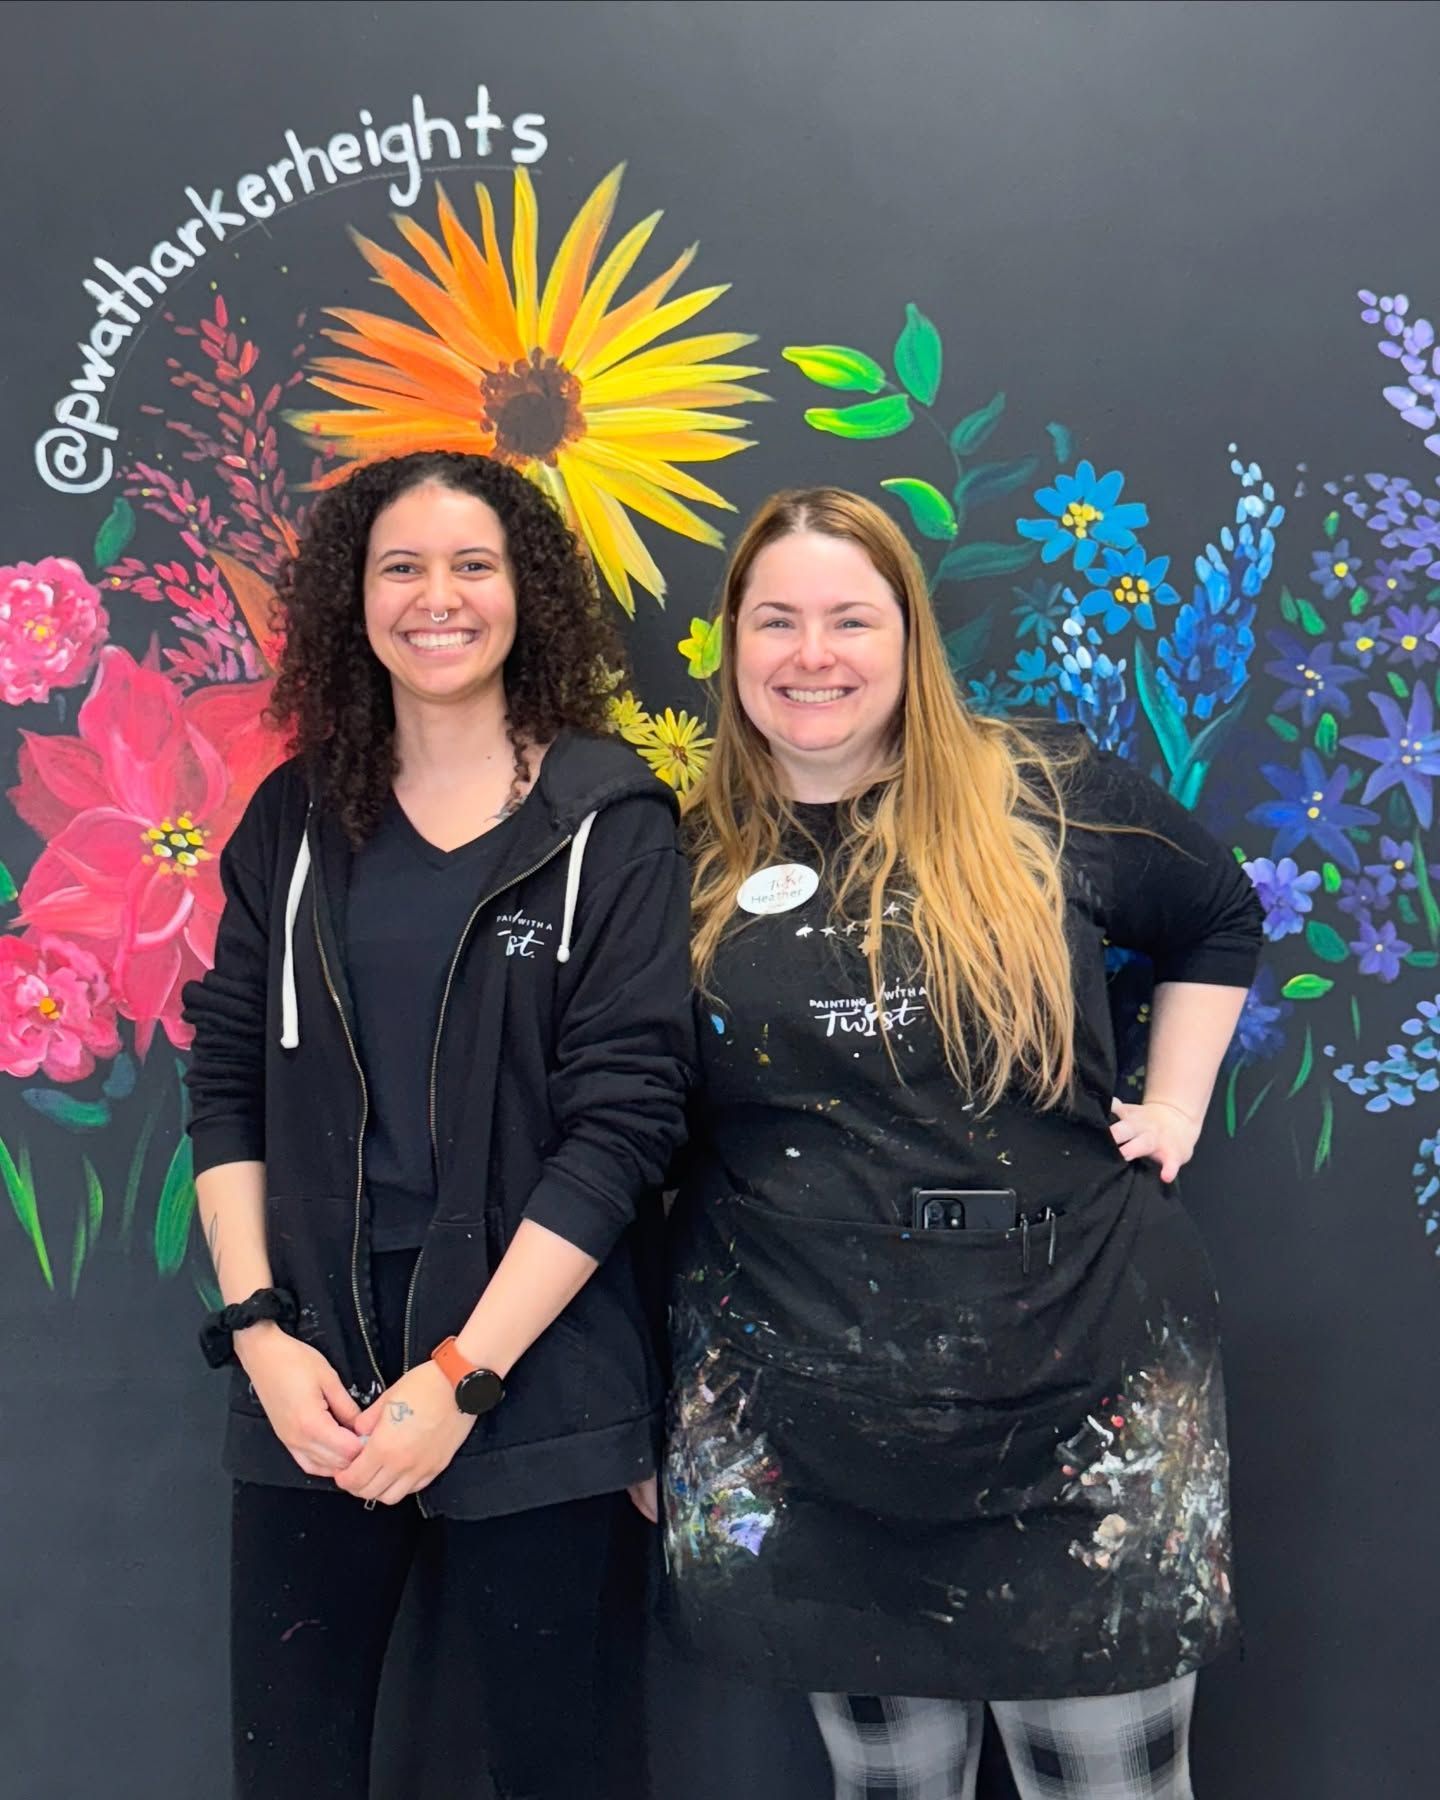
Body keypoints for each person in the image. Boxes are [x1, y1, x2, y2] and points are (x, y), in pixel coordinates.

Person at [661, 488, 1263, 1800]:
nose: (812, 653)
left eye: (849, 618)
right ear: (730, 644)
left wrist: (1176, 1105)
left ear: (908, 636)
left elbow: (1215, 911)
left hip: (1079, 1382)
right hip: (818, 1417)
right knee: (890, 1789)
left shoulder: (1035, 790)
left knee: (1110, 1787)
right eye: (777, 619)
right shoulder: (685, 852)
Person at [183, 450, 693, 1800]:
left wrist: (464, 1375)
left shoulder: (610, 820)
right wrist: (259, 1334)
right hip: (314, 1382)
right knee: (289, 1770)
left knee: (557, 1768)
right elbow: (225, 1078)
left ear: (527, 595)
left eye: (474, 564)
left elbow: (626, 1125)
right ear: (353, 601)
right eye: (399, 566)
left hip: (537, 1369)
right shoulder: (289, 823)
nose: (437, 598)